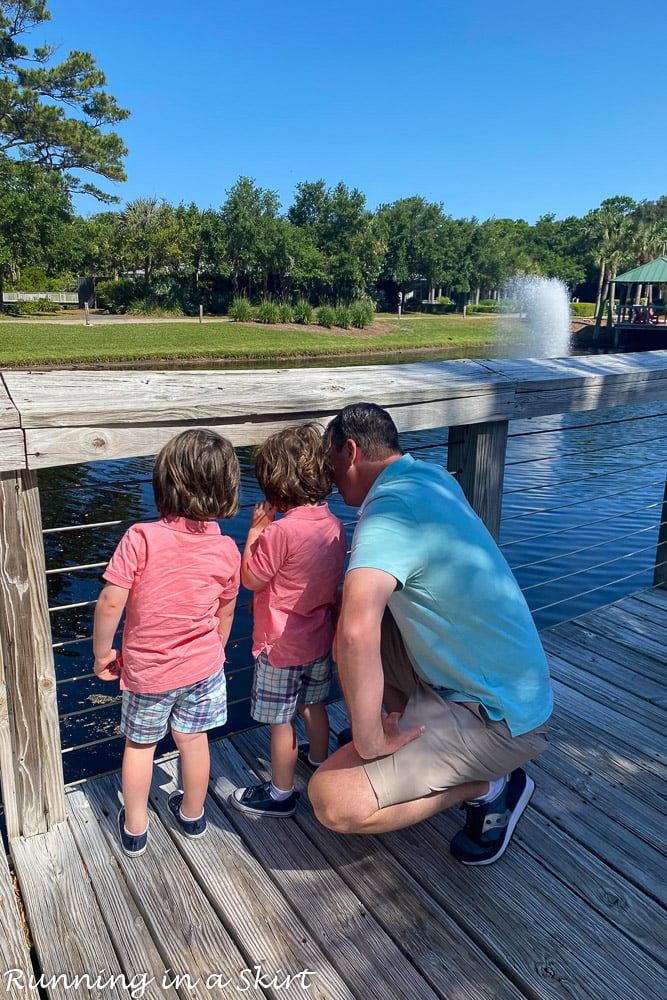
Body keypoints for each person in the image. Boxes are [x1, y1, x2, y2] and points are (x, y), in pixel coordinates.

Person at [308, 402, 553, 865]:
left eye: (331, 461)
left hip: (499, 721)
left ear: (352, 451)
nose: (328, 475)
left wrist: (368, 741)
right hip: (504, 690)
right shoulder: (431, 479)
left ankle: (491, 786)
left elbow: (356, 633)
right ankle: (408, 733)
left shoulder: (389, 511)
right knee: (356, 604)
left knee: (333, 801)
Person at [93, 428, 241, 857]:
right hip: (204, 667)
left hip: (150, 671)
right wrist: (215, 648)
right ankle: (193, 815)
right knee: (194, 740)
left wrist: (103, 652)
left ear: (165, 484)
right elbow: (225, 612)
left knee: (140, 746)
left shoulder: (141, 539)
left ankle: (136, 827)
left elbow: (109, 602)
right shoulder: (228, 549)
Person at [230, 423, 348, 818]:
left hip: (280, 646)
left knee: (281, 722)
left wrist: (254, 533)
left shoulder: (277, 533)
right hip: (318, 638)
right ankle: (318, 760)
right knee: (313, 705)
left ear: (275, 482)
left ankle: (280, 793)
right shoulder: (334, 525)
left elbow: (250, 578)